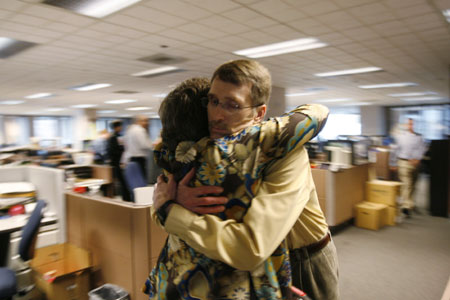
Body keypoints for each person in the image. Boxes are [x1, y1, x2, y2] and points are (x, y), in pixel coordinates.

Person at [149, 60, 338, 299]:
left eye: (232, 105)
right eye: (214, 101)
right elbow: (160, 195)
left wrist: (172, 212)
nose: (217, 115)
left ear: (258, 113)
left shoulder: (284, 151)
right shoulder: (206, 148)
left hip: (303, 256)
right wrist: (172, 198)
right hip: (259, 263)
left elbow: (251, 247)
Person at [393, 118, 425, 216]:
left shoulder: (419, 137)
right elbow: (396, 150)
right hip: (403, 162)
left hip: (415, 164)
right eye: (409, 124)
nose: (411, 126)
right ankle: (405, 206)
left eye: (412, 124)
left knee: (413, 185)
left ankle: (410, 204)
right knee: (406, 184)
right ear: (406, 125)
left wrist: (418, 159)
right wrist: (393, 163)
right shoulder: (400, 136)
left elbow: (422, 149)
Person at [106, 120, 130, 202]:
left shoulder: (114, 136)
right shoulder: (115, 137)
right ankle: (126, 198)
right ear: (117, 127)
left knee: (122, 181)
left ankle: (125, 197)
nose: (121, 128)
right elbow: (115, 150)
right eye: (120, 126)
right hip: (117, 163)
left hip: (116, 163)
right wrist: (122, 150)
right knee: (122, 181)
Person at [123, 115, 153, 179]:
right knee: (141, 179)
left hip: (131, 159)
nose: (146, 123)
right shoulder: (140, 130)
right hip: (139, 159)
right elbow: (145, 145)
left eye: (147, 121)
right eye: (144, 121)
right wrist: (154, 144)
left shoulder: (130, 130)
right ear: (138, 121)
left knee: (135, 179)